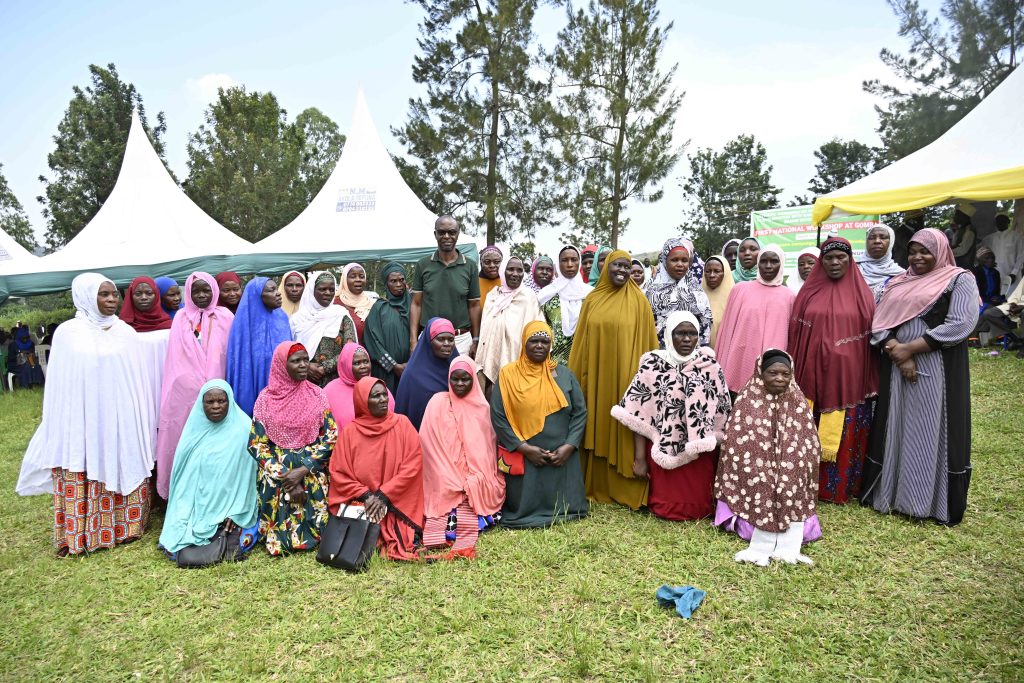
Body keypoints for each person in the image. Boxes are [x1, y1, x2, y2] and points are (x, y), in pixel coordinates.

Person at [16, 273, 155, 555]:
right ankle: (80, 534)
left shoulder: (125, 333)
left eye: (114, 294)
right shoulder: (69, 333)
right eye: (103, 295)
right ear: (86, 296)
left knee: (121, 456)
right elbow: (60, 386)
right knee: (86, 459)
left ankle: (124, 528)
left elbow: (137, 381)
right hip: (82, 420)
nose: (111, 300)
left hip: (120, 418)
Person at [861, 228, 980, 526]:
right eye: (913, 251)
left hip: (935, 370)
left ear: (940, 251)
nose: (917, 257)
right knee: (895, 427)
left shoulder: (958, 279)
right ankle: (890, 495)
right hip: (896, 370)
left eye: (925, 251)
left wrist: (910, 350)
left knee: (926, 431)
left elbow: (961, 324)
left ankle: (921, 501)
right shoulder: (898, 282)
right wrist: (897, 352)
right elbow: (877, 321)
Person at [612, 311, 731, 521]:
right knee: (665, 506)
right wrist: (640, 459)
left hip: (700, 455)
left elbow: (722, 414)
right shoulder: (653, 366)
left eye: (692, 334)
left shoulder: (710, 367)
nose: (687, 339)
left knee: (700, 506)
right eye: (680, 333)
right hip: (663, 450)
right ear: (668, 334)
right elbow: (638, 417)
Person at [788, 237, 878, 504]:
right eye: (829, 258)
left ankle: (838, 487)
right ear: (821, 261)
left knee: (843, 429)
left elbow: (868, 341)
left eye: (841, 257)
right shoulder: (808, 292)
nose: (835, 262)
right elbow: (797, 335)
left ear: (850, 260)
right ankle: (803, 483)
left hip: (847, 380)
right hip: (810, 377)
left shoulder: (863, 295)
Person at [713, 349, 822, 566]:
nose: (779, 379)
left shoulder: (797, 400)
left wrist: (788, 468)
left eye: (785, 374)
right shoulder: (746, 399)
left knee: (792, 477)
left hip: (789, 469)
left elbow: (809, 443)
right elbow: (736, 444)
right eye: (773, 373)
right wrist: (764, 470)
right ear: (761, 373)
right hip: (753, 473)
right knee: (759, 480)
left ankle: (788, 538)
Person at [568, 249, 658, 509]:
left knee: (626, 425)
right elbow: (581, 343)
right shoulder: (593, 300)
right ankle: (595, 484)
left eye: (626, 266)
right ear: (605, 266)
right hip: (596, 378)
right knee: (597, 420)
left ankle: (626, 486)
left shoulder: (639, 302)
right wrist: (576, 381)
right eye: (616, 265)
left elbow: (649, 345)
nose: (621, 270)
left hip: (628, 380)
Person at [491, 321, 588, 528]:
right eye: (533, 341)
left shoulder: (564, 374)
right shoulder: (508, 375)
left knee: (565, 503)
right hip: (525, 454)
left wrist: (569, 446)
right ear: (524, 343)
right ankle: (527, 511)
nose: (539, 346)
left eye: (545, 341)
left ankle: (566, 509)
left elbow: (580, 413)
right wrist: (524, 448)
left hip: (561, 455)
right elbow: (499, 417)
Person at [250, 342, 338, 555]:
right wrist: (285, 476)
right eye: (295, 361)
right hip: (278, 468)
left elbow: (331, 435)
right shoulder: (266, 399)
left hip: (310, 465)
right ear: (281, 365)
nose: (303, 365)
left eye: (305, 360)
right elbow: (256, 444)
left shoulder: (317, 394)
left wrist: (304, 468)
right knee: (271, 484)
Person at [158, 380, 259, 561]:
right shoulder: (193, 432)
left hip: (232, 508)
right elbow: (182, 484)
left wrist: (236, 512)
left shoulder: (244, 430)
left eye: (221, 401)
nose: (216, 406)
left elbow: (248, 481)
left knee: (241, 534)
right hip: (194, 507)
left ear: (230, 402)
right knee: (177, 537)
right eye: (209, 402)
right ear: (200, 404)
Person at [156, 272, 235, 499]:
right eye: (195, 291)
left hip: (219, 390)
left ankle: (216, 492)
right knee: (184, 438)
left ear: (213, 291)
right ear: (188, 294)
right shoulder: (181, 318)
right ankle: (184, 491)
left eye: (206, 290)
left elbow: (229, 355)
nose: (201, 295)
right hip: (184, 392)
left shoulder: (225, 316)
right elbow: (175, 358)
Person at [328, 377, 424, 561]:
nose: (383, 399)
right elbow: (339, 473)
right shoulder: (350, 433)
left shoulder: (402, 424)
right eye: (375, 396)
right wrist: (367, 495)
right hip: (362, 503)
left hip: (395, 501)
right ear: (363, 401)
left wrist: (383, 495)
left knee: (399, 535)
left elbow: (413, 464)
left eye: (384, 394)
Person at [420, 357, 505, 557]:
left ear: (474, 379)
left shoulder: (482, 409)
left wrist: (472, 478)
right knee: (447, 517)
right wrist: (453, 478)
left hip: (475, 478)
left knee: (477, 504)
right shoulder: (437, 403)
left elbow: (486, 454)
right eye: (454, 380)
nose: (459, 384)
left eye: (465, 379)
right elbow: (430, 449)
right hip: (444, 477)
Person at [715, 245, 795, 393]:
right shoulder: (740, 290)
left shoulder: (789, 297)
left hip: (774, 369)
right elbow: (728, 331)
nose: (768, 266)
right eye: (764, 261)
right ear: (758, 263)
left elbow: (792, 337)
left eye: (774, 261)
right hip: (740, 362)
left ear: (781, 263)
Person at [410, 215, 481, 357]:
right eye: (442, 232)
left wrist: (475, 339)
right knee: (427, 379)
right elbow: (416, 304)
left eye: (452, 232)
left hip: (460, 339)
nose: (447, 236)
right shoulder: (423, 265)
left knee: (459, 379)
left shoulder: (470, 266)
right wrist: (413, 341)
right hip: (428, 338)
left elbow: (474, 305)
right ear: (435, 234)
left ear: (458, 234)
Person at [226, 276, 293, 416]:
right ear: (257, 296)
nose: (278, 293)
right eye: (271, 290)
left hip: (281, 384)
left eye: (276, 289)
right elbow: (240, 363)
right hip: (252, 382)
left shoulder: (282, 318)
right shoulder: (244, 324)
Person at [477, 255, 544, 386]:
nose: (515, 274)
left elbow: (538, 328)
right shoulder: (493, 296)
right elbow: (485, 330)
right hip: (492, 354)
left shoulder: (528, 297)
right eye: (510, 269)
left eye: (519, 270)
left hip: (518, 355)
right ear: (502, 271)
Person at [119, 275, 173, 420]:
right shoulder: (120, 329)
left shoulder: (170, 326)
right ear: (130, 296)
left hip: (164, 388)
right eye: (138, 293)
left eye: (149, 293)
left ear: (156, 296)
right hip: (135, 390)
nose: (144, 297)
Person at [289, 271, 357, 387]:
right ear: (312, 291)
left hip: (336, 382)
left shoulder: (341, 315)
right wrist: (307, 366)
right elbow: (288, 351)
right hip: (304, 382)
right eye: (322, 289)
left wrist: (324, 368)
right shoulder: (296, 320)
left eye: (331, 290)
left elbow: (350, 350)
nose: (328, 293)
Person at [643, 237, 713, 346]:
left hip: (690, 353)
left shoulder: (696, 290)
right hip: (658, 354)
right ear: (664, 261)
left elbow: (705, 325)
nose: (680, 264)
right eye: (674, 260)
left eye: (684, 260)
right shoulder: (649, 290)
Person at [395, 317, 459, 430]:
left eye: (450, 339)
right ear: (429, 340)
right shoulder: (412, 375)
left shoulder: (458, 368)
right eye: (441, 339)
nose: (447, 344)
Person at [538, 245, 591, 365]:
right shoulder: (547, 295)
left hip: (585, 360)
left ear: (579, 262)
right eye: (564, 260)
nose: (570, 264)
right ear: (558, 263)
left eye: (574, 260)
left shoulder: (591, 295)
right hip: (553, 363)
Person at [364, 262, 412, 394]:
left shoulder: (413, 306)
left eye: (401, 280)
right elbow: (372, 341)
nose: (398, 285)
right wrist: (393, 366)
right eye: (393, 281)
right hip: (386, 371)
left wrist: (413, 363)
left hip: (411, 368)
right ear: (386, 284)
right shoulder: (379, 308)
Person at [325, 343, 395, 432]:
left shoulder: (378, 387)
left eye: (366, 361)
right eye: (357, 363)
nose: (363, 367)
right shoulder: (329, 392)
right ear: (346, 364)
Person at [857, 224, 906, 297]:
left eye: (883, 237)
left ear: (891, 242)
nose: (877, 241)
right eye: (872, 237)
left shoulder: (901, 276)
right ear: (866, 242)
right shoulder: (854, 270)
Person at [335, 262, 379, 343]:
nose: (358, 279)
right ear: (344, 279)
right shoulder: (335, 304)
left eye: (361, 276)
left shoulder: (373, 304)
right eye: (353, 276)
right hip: (346, 354)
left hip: (371, 354)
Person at [977, 276, 1023, 351]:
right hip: (1018, 303)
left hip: (1022, 306)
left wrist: (1022, 306)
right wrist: (1012, 303)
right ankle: (1015, 339)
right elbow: (1018, 292)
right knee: (989, 313)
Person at [701, 255, 734, 349]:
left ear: (725, 273)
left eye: (717, 271)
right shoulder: (697, 298)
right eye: (708, 271)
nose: (712, 275)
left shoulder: (734, 298)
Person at [982, 213, 1024, 283]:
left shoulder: (1017, 237)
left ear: (1008, 221)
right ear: (995, 223)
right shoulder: (988, 238)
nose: (1000, 222)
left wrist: (1014, 273)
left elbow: (1021, 256)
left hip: (1011, 275)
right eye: (998, 221)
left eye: (1003, 220)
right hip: (993, 274)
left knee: (1011, 293)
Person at [973, 246, 1006, 311]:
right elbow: (974, 293)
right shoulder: (975, 272)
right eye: (987, 258)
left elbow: (997, 292)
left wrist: (997, 298)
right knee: (993, 312)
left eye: (992, 258)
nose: (991, 260)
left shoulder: (996, 273)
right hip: (978, 302)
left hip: (992, 301)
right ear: (980, 260)